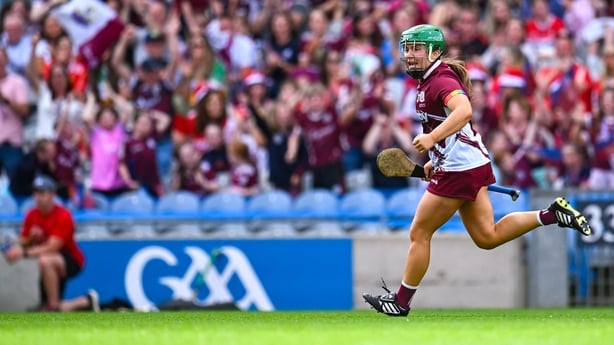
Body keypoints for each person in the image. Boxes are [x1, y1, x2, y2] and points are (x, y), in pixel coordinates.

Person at [362, 24, 592, 317]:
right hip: (466, 163)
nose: (409, 55)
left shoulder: (440, 81)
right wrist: (437, 154)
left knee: (420, 231)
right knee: (487, 237)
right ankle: (551, 214)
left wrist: (432, 140)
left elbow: (464, 111)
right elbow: (451, 127)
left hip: (460, 170)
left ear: (434, 51)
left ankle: (401, 301)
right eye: (407, 48)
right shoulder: (427, 81)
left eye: (416, 48)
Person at [2, 175, 99, 312]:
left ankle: (53, 305)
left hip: (69, 259)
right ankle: (85, 302)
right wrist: (31, 239)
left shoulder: (63, 215)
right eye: (35, 193)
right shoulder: (32, 214)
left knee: (45, 260)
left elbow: (53, 247)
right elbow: (24, 241)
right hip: (47, 262)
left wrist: (23, 252)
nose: (38, 197)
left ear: (52, 194)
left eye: (42, 193)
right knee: (43, 306)